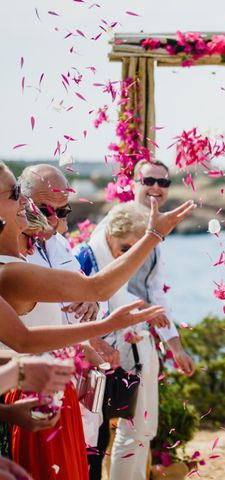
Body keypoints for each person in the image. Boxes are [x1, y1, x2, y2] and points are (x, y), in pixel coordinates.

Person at [0, 160, 193, 480]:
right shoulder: (11, 271)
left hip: (48, 384)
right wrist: (154, 234)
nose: (25, 203)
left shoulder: (36, 248)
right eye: (16, 194)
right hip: (30, 387)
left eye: (64, 212)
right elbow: (94, 289)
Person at [89, 160, 195, 480]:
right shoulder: (113, 224)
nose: (156, 188)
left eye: (164, 183)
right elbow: (103, 284)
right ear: (134, 182)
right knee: (128, 425)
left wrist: (175, 346)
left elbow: (155, 291)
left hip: (143, 338)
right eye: (149, 180)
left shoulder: (156, 232)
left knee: (145, 428)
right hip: (116, 338)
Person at [77, 201, 167, 480]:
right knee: (93, 437)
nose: (129, 258)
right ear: (110, 235)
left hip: (112, 355)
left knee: (111, 432)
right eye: (125, 249)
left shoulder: (114, 259)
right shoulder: (86, 258)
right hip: (87, 356)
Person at [20, 165, 100, 325]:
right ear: (23, 202)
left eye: (62, 212)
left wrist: (94, 302)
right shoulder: (12, 251)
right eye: (45, 211)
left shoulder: (62, 243)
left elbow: (87, 288)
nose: (55, 221)